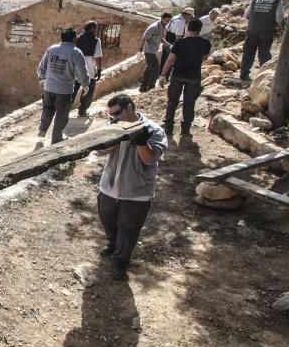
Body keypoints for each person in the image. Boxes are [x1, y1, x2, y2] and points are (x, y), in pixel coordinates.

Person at [98, 94, 167, 281]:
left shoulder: (153, 130)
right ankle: (112, 244)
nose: (114, 118)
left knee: (128, 229)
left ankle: (120, 263)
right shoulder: (112, 125)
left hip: (136, 193)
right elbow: (100, 150)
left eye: (117, 113)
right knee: (107, 220)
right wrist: (115, 135)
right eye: (111, 115)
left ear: (129, 107)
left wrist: (141, 142)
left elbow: (150, 159)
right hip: (109, 187)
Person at [37, 28, 89, 143]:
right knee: (61, 114)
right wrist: (85, 84)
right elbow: (82, 72)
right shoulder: (76, 52)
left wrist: (42, 78)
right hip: (64, 90)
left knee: (47, 109)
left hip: (49, 87)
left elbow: (41, 67)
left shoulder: (52, 49)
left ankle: (43, 129)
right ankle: (56, 138)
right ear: (74, 38)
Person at [161, 18, 211, 136]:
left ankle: (168, 127)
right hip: (194, 76)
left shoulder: (179, 42)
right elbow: (205, 58)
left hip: (178, 74)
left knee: (172, 101)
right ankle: (185, 129)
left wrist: (163, 75)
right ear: (199, 30)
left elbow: (169, 60)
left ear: (187, 28)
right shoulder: (205, 43)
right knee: (189, 103)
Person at [240, 0, 285, 81]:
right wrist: (283, 30)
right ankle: (262, 76)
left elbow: (246, 15)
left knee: (248, 51)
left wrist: (256, 22)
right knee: (264, 52)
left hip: (252, 29)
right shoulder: (277, 2)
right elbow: (279, 19)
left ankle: (244, 73)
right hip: (266, 30)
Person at [73, 21, 103, 116]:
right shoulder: (96, 40)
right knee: (88, 90)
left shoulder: (77, 39)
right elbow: (98, 57)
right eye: (96, 28)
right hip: (89, 70)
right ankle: (82, 110)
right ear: (93, 29)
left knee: (73, 90)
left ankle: (64, 108)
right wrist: (99, 69)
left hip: (76, 69)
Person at [139, 12, 172, 92]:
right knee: (156, 69)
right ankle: (151, 87)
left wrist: (169, 45)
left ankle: (143, 87)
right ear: (162, 19)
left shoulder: (163, 27)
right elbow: (144, 37)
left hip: (154, 51)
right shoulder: (154, 27)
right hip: (149, 51)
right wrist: (140, 50)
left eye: (169, 21)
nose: (167, 22)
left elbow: (161, 39)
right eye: (166, 20)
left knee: (149, 69)